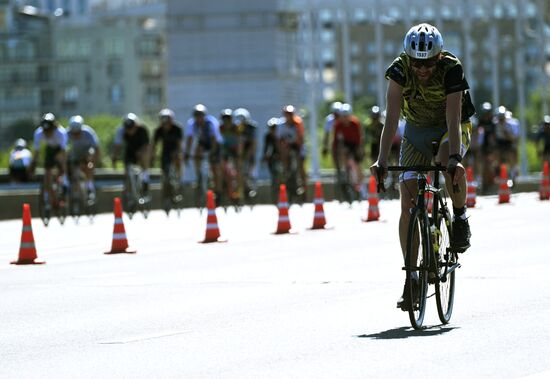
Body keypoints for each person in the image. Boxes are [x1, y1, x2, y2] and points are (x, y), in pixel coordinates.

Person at [369, 23, 476, 311]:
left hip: (449, 127)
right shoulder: (399, 69)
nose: (422, 69)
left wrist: (454, 158)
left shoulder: (451, 68)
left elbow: (453, 118)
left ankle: (460, 215)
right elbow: (391, 119)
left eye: (428, 62)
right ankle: (412, 277)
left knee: (445, 162)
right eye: (417, 63)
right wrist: (381, 160)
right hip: (415, 128)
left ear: (438, 57)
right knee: (407, 203)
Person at [184, 104, 223, 201]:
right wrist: (187, 153)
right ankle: (199, 175)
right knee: (197, 151)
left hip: (215, 144)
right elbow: (190, 139)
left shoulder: (211, 123)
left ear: (204, 116)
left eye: (200, 116)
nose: (198, 119)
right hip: (203, 143)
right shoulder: (192, 124)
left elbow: (214, 139)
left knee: (215, 167)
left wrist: (212, 153)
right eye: (196, 116)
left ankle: (218, 192)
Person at [112, 113, 151, 195]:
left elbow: (147, 145)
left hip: (141, 149)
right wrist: (115, 157)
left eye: (132, 128)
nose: (130, 131)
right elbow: (117, 146)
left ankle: (145, 178)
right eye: (128, 129)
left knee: (145, 156)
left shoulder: (142, 130)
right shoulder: (121, 131)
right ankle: (128, 190)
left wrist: (140, 152)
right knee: (127, 169)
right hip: (129, 151)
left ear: (136, 125)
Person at [31, 113, 69, 197]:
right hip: (50, 149)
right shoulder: (38, 133)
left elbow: (63, 152)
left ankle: (64, 181)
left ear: (54, 128)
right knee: (47, 171)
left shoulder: (61, 133)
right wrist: (33, 165)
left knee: (60, 161)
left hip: (60, 149)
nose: (47, 134)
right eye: (45, 131)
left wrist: (62, 167)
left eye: (49, 131)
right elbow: (36, 152)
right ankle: (47, 194)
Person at [332, 103, 365, 197]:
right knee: (342, 152)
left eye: (347, 116)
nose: (345, 119)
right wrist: (335, 150)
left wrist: (360, 149)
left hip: (355, 144)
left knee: (357, 163)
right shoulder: (338, 125)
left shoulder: (355, 123)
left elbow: (359, 138)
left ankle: (361, 184)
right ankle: (345, 170)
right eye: (343, 117)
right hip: (345, 144)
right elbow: (335, 139)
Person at [67, 115, 101, 200]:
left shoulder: (88, 132)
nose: (76, 135)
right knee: (71, 168)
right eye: (73, 133)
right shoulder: (66, 133)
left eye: (78, 133)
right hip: (74, 154)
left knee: (89, 164)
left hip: (86, 153)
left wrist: (94, 162)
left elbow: (96, 148)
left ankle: (89, 186)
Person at [278, 105, 306, 194]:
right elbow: (279, 139)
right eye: (287, 114)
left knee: (300, 164)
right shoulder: (281, 125)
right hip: (287, 146)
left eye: (290, 114)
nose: (288, 116)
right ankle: (285, 171)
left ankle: (303, 185)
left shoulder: (298, 123)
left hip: (297, 145)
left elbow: (301, 138)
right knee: (284, 153)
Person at [233, 107, 258, 199]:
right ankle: (238, 186)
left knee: (249, 166)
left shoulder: (251, 128)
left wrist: (249, 154)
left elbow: (253, 143)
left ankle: (250, 181)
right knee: (238, 169)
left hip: (248, 148)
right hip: (238, 150)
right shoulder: (234, 128)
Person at [263, 117, 281, 203]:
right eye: (271, 128)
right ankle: (275, 194)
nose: (273, 130)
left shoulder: (281, 135)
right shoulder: (268, 136)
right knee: (274, 175)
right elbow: (266, 148)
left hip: (282, 155)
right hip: (273, 156)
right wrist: (265, 156)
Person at [322, 101, 343, 167]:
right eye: (335, 113)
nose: (336, 115)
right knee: (334, 151)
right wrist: (325, 146)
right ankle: (338, 170)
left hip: (345, 139)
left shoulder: (344, 118)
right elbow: (326, 134)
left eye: (338, 114)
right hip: (335, 140)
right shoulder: (329, 120)